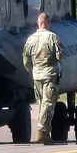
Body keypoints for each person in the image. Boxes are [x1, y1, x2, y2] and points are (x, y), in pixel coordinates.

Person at [23, 12, 66, 145]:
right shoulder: (52, 37)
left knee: (41, 104)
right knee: (48, 104)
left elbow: (26, 59)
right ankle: (42, 131)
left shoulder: (30, 39)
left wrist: (32, 69)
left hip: (36, 75)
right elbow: (61, 56)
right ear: (47, 22)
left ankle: (46, 133)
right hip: (49, 75)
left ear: (38, 22)